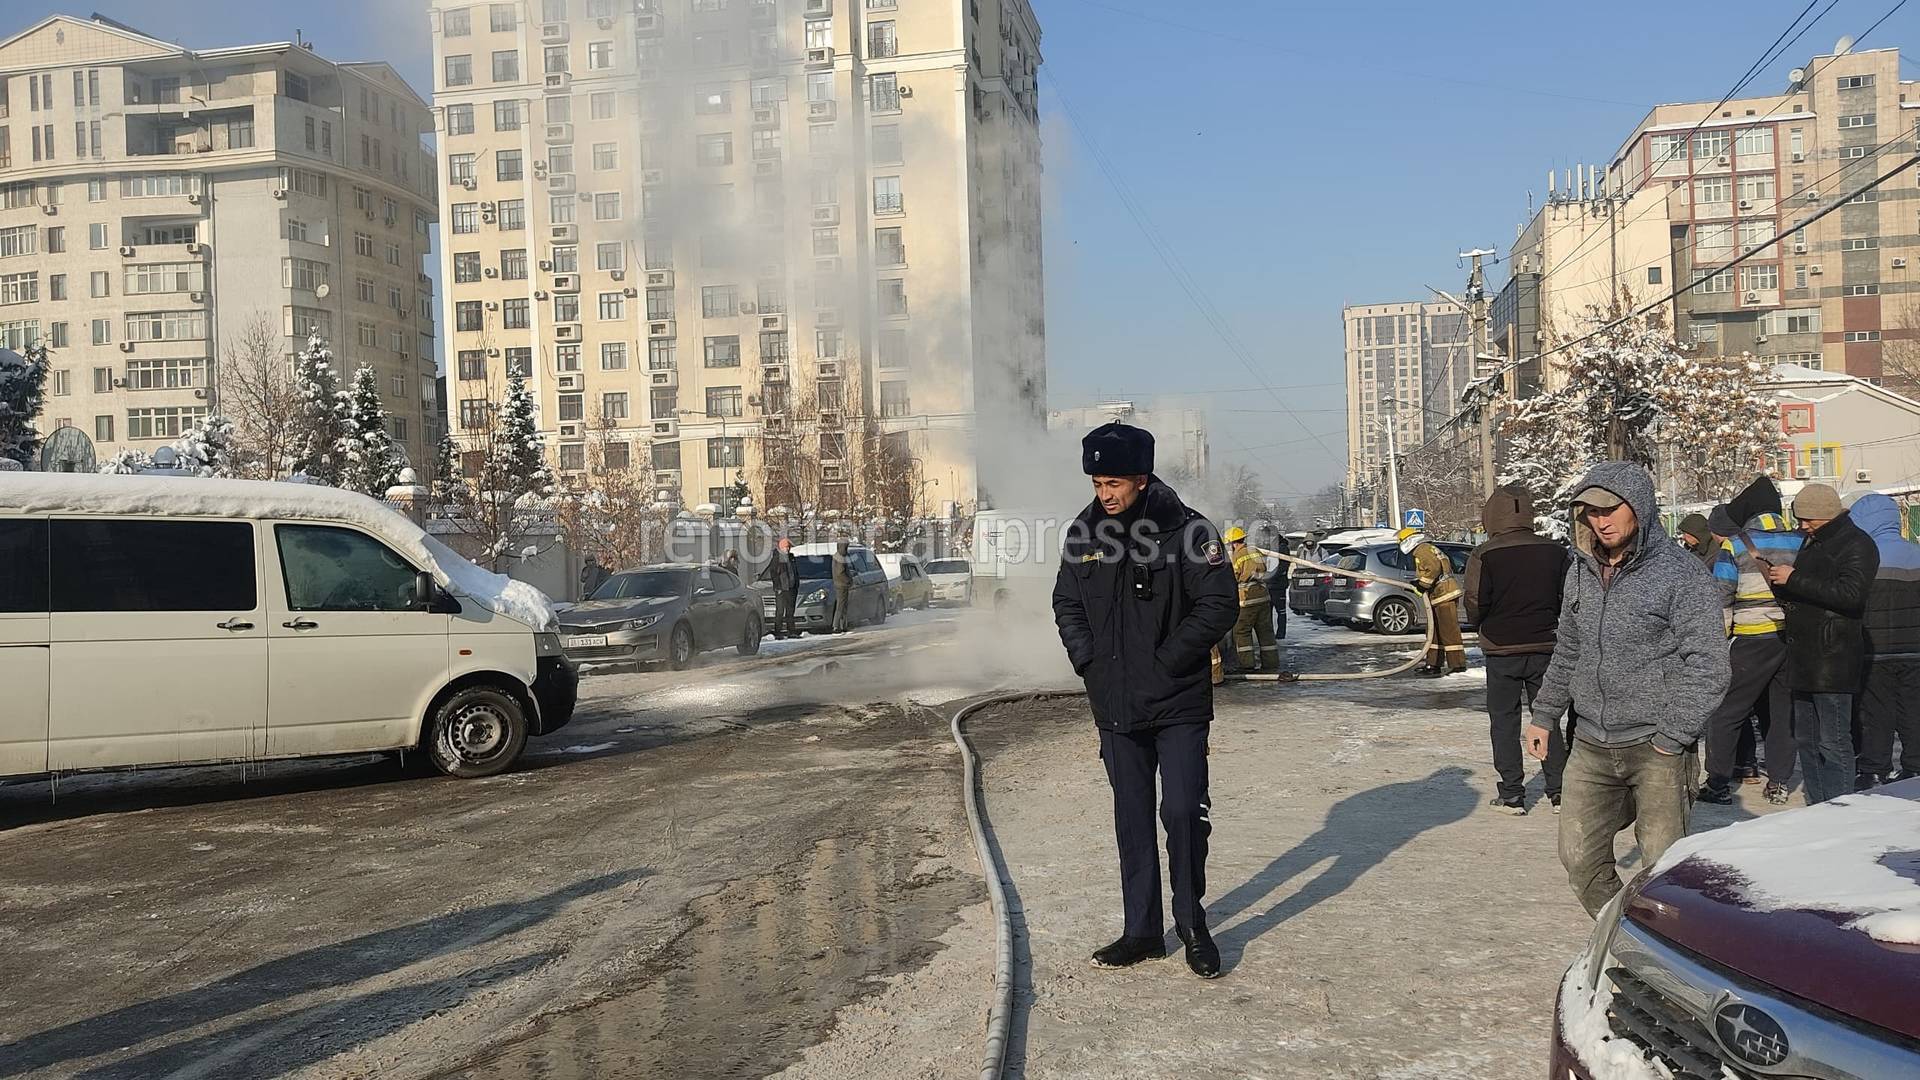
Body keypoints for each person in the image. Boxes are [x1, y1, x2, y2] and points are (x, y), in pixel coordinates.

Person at [1052, 422, 1237, 979]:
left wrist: (1167, 662)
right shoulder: (1083, 535)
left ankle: (1191, 921)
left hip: (1177, 702)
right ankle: (1141, 931)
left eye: (1113, 482)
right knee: (1131, 820)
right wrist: (1087, 662)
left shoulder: (1187, 530)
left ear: (1141, 477)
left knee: (1181, 812)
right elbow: (1067, 604)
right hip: (1114, 706)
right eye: (1097, 482)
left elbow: (1218, 605)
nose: (1104, 494)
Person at [1528, 462, 1729, 918]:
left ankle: (1669, 962)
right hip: (1591, 744)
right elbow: (1569, 647)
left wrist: (1672, 737)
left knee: (1662, 872)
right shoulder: (1579, 570)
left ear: (1638, 507)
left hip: (1656, 747)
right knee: (1579, 859)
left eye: (1610, 509)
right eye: (1589, 512)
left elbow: (1710, 665)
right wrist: (1545, 714)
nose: (1601, 521)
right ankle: (1626, 937)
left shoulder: (1681, 574)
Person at [1765, 483, 1878, 804]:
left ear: (1826, 515)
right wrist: (1779, 584)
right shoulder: (1816, 541)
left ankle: (1840, 809)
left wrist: (1793, 579)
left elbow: (1851, 596)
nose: (1801, 525)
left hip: (1833, 658)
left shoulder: (1858, 544)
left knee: (1833, 741)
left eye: (1806, 519)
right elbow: (1813, 593)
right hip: (1805, 655)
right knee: (1808, 740)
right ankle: (1818, 807)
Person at [1464, 485, 1570, 815]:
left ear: (1493, 515)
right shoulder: (1555, 552)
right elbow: (1569, 599)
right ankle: (1560, 792)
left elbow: (1474, 600)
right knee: (1548, 718)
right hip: (1546, 646)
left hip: (1501, 648)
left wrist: (1483, 624)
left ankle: (1512, 794)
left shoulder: (1485, 554)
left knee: (1504, 722)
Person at [1698, 476, 1801, 806]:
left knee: (1727, 712)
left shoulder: (1737, 544)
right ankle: (1780, 783)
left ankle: (1718, 783)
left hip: (1751, 640)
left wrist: (1719, 640)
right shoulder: (1801, 540)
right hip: (1790, 639)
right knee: (1782, 714)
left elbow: (1721, 599)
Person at [1854, 493, 1920, 788]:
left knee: (1876, 712)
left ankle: (1873, 769)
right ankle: (1915, 767)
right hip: (1916, 650)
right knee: (1914, 709)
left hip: (1875, 651)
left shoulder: (1863, 559)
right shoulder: (1917, 553)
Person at [1398, 526, 1466, 676]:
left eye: (1401, 541)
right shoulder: (1426, 548)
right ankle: (1433, 664)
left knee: (1448, 631)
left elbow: (1433, 568)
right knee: (1434, 632)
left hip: (1445, 594)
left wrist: (1422, 585)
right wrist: (1420, 584)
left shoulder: (1422, 549)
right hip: (1437, 595)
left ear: (1409, 540)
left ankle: (1458, 665)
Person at [1224, 526, 1279, 673]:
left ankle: (1246, 664)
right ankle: (1271, 663)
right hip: (1263, 596)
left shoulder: (1237, 556)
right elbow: (1265, 569)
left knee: (1242, 632)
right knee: (1266, 631)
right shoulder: (1255, 551)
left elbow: (1233, 577)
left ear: (1233, 543)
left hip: (1247, 598)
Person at [763, 536, 799, 639]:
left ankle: (791, 630)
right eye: (786, 547)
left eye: (788, 547)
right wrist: (777, 586)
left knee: (790, 611)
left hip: (791, 587)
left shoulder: (791, 558)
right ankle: (777, 631)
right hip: (782, 588)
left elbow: (794, 572)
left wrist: (796, 584)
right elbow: (773, 573)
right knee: (780, 611)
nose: (787, 549)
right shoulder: (777, 558)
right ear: (781, 547)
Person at [831, 540, 854, 633]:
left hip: (840, 584)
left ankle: (842, 625)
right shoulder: (840, 557)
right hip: (842, 585)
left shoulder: (837, 556)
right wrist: (848, 580)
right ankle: (836, 626)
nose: (847, 549)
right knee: (841, 606)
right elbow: (841, 572)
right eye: (846, 547)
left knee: (843, 605)